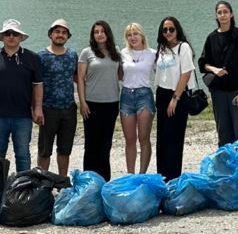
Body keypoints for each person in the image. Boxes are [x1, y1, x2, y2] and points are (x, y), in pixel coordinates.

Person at [0, 19, 42, 173]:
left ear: (20, 37)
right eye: (7, 33)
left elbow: (38, 85)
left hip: (23, 116)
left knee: (23, 155)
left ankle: (22, 188)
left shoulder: (32, 58)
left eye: (15, 34)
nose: (11, 36)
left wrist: (38, 108)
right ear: (2, 37)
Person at [199, 1, 238, 147]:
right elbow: (203, 63)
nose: (223, 15)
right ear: (216, 16)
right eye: (219, 12)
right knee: (223, 131)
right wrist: (214, 69)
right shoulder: (211, 38)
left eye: (225, 12)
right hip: (218, 91)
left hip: (237, 90)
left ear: (231, 14)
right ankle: (225, 167)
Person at [77, 21, 122, 180]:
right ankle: (89, 181)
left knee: (105, 145)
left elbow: (121, 75)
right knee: (91, 145)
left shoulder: (116, 52)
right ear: (93, 35)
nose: (100, 34)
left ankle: (104, 181)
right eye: (96, 32)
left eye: (102, 31)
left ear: (108, 33)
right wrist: (82, 102)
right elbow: (80, 79)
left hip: (111, 103)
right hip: (91, 104)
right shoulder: (86, 53)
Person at [154, 16, 195, 180]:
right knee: (162, 139)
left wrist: (175, 98)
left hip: (177, 96)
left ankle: (173, 178)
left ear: (177, 30)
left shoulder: (183, 47)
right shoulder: (162, 48)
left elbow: (186, 73)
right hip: (162, 94)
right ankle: (162, 176)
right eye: (165, 30)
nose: (168, 32)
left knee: (174, 140)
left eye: (171, 29)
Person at [36, 19, 79, 177]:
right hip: (48, 108)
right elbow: (36, 83)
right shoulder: (41, 56)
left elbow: (77, 78)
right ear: (50, 34)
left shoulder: (72, 55)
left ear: (68, 36)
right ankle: (42, 182)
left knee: (65, 149)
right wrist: (36, 108)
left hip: (68, 108)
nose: (60, 35)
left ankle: (62, 181)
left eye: (64, 32)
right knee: (44, 150)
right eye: (57, 32)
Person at [120, 22, 156, 173]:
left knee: (143, 137)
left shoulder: (152, 53)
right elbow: (118, 74)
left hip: (144, 95)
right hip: (126, 95)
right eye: (129, 35)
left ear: (142, 35)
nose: (132, 37)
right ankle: (130, 174)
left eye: (135, 34)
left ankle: (142, 174)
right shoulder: (123, 53)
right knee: (130, 139)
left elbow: (163, 73)